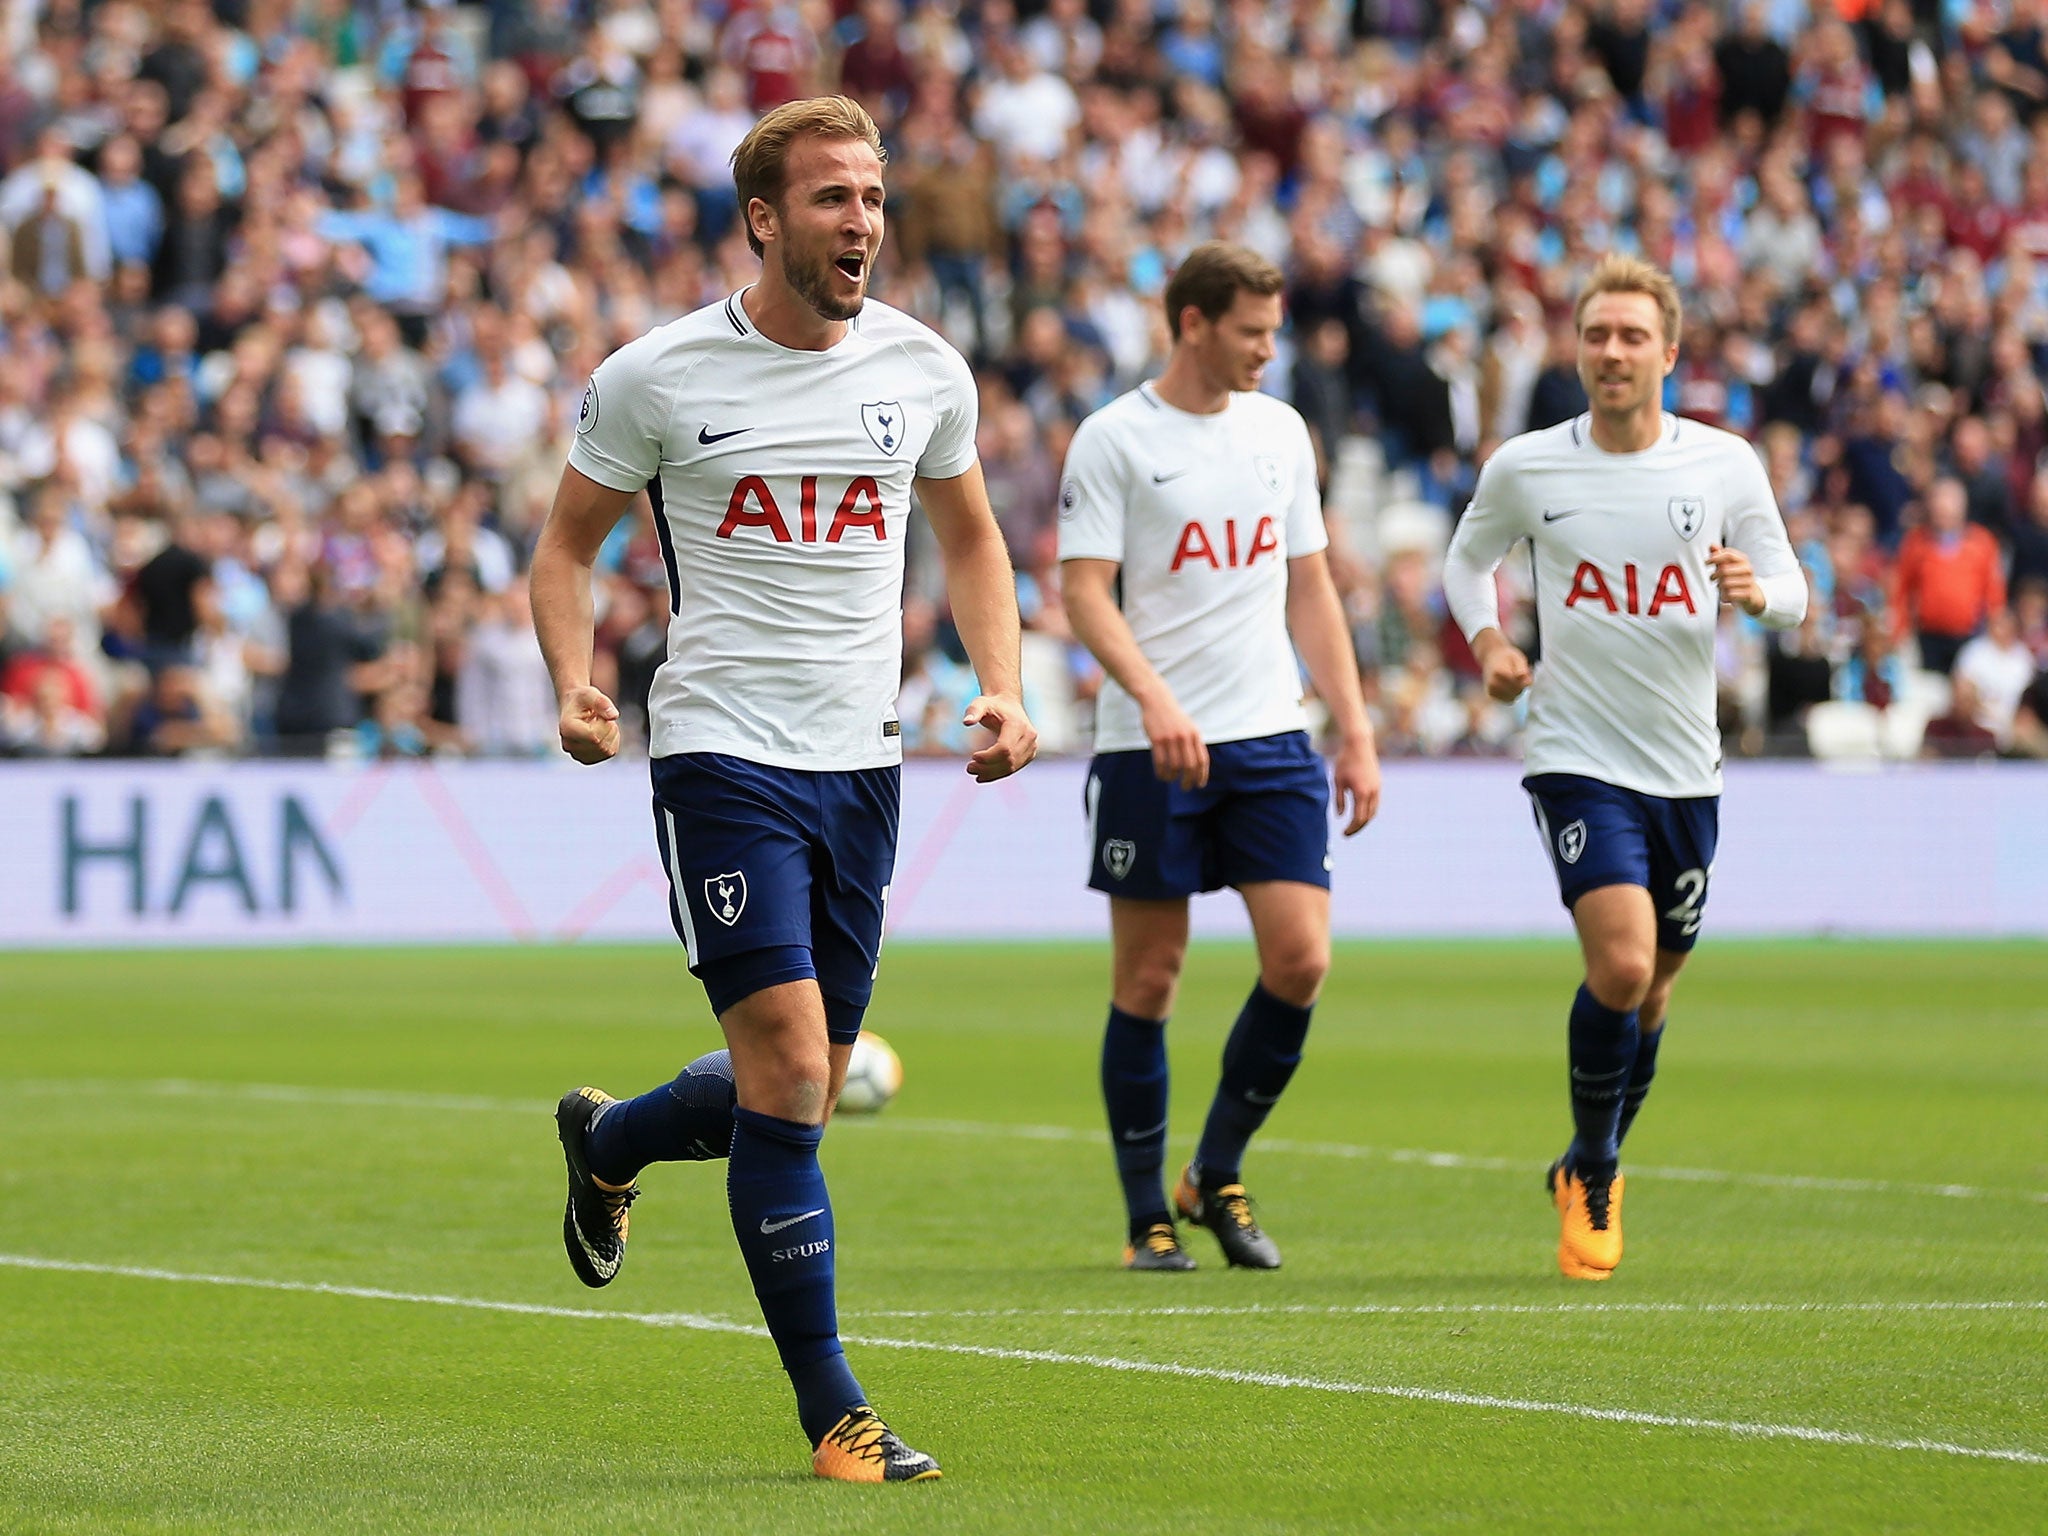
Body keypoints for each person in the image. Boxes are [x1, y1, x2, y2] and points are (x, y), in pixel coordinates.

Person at [528, 96, 1036, 1485]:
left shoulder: (928, 372)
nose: (860, 221)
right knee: (797, 1065)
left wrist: (1004, 683)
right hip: (721, 758)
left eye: (871, 197)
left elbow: (975, 541)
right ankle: (837, 1415)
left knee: (789, 1098)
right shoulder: (660, 375)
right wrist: (577, 681)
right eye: (830, 199)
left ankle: (612, 1139)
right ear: (763, 218)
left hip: (860, 766)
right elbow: (565, 547)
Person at [1442, 255, 1807, 1281]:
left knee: (1654, 993)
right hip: (1573, 753)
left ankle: (1583, 1157)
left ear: (1668, 352)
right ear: (1576, 345)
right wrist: (1488, 645)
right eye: (1596, 334)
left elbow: (1791, 584)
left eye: (1631, 336)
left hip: (1685, 767)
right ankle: (1596, 1167)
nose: (1611, 352)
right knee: (1622, 966)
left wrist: (1754, 591)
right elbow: (1466, 560)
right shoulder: (1526, 466)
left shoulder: (1722, 464)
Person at [1057, 241, 1380, 1274]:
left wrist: (1355, 727)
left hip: (1269, 733)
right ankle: (1143, 1212)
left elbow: (1308, 588)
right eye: (1249, 332)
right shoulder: (1113, 440)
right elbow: (1081, 592)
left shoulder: (1279, 431)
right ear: (1191, 323)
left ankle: (1215, 1170)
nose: (1265, 351)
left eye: (1271, 331)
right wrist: (1151, 699)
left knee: (1301, 958)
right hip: (1148, 744)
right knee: (1149, 976)